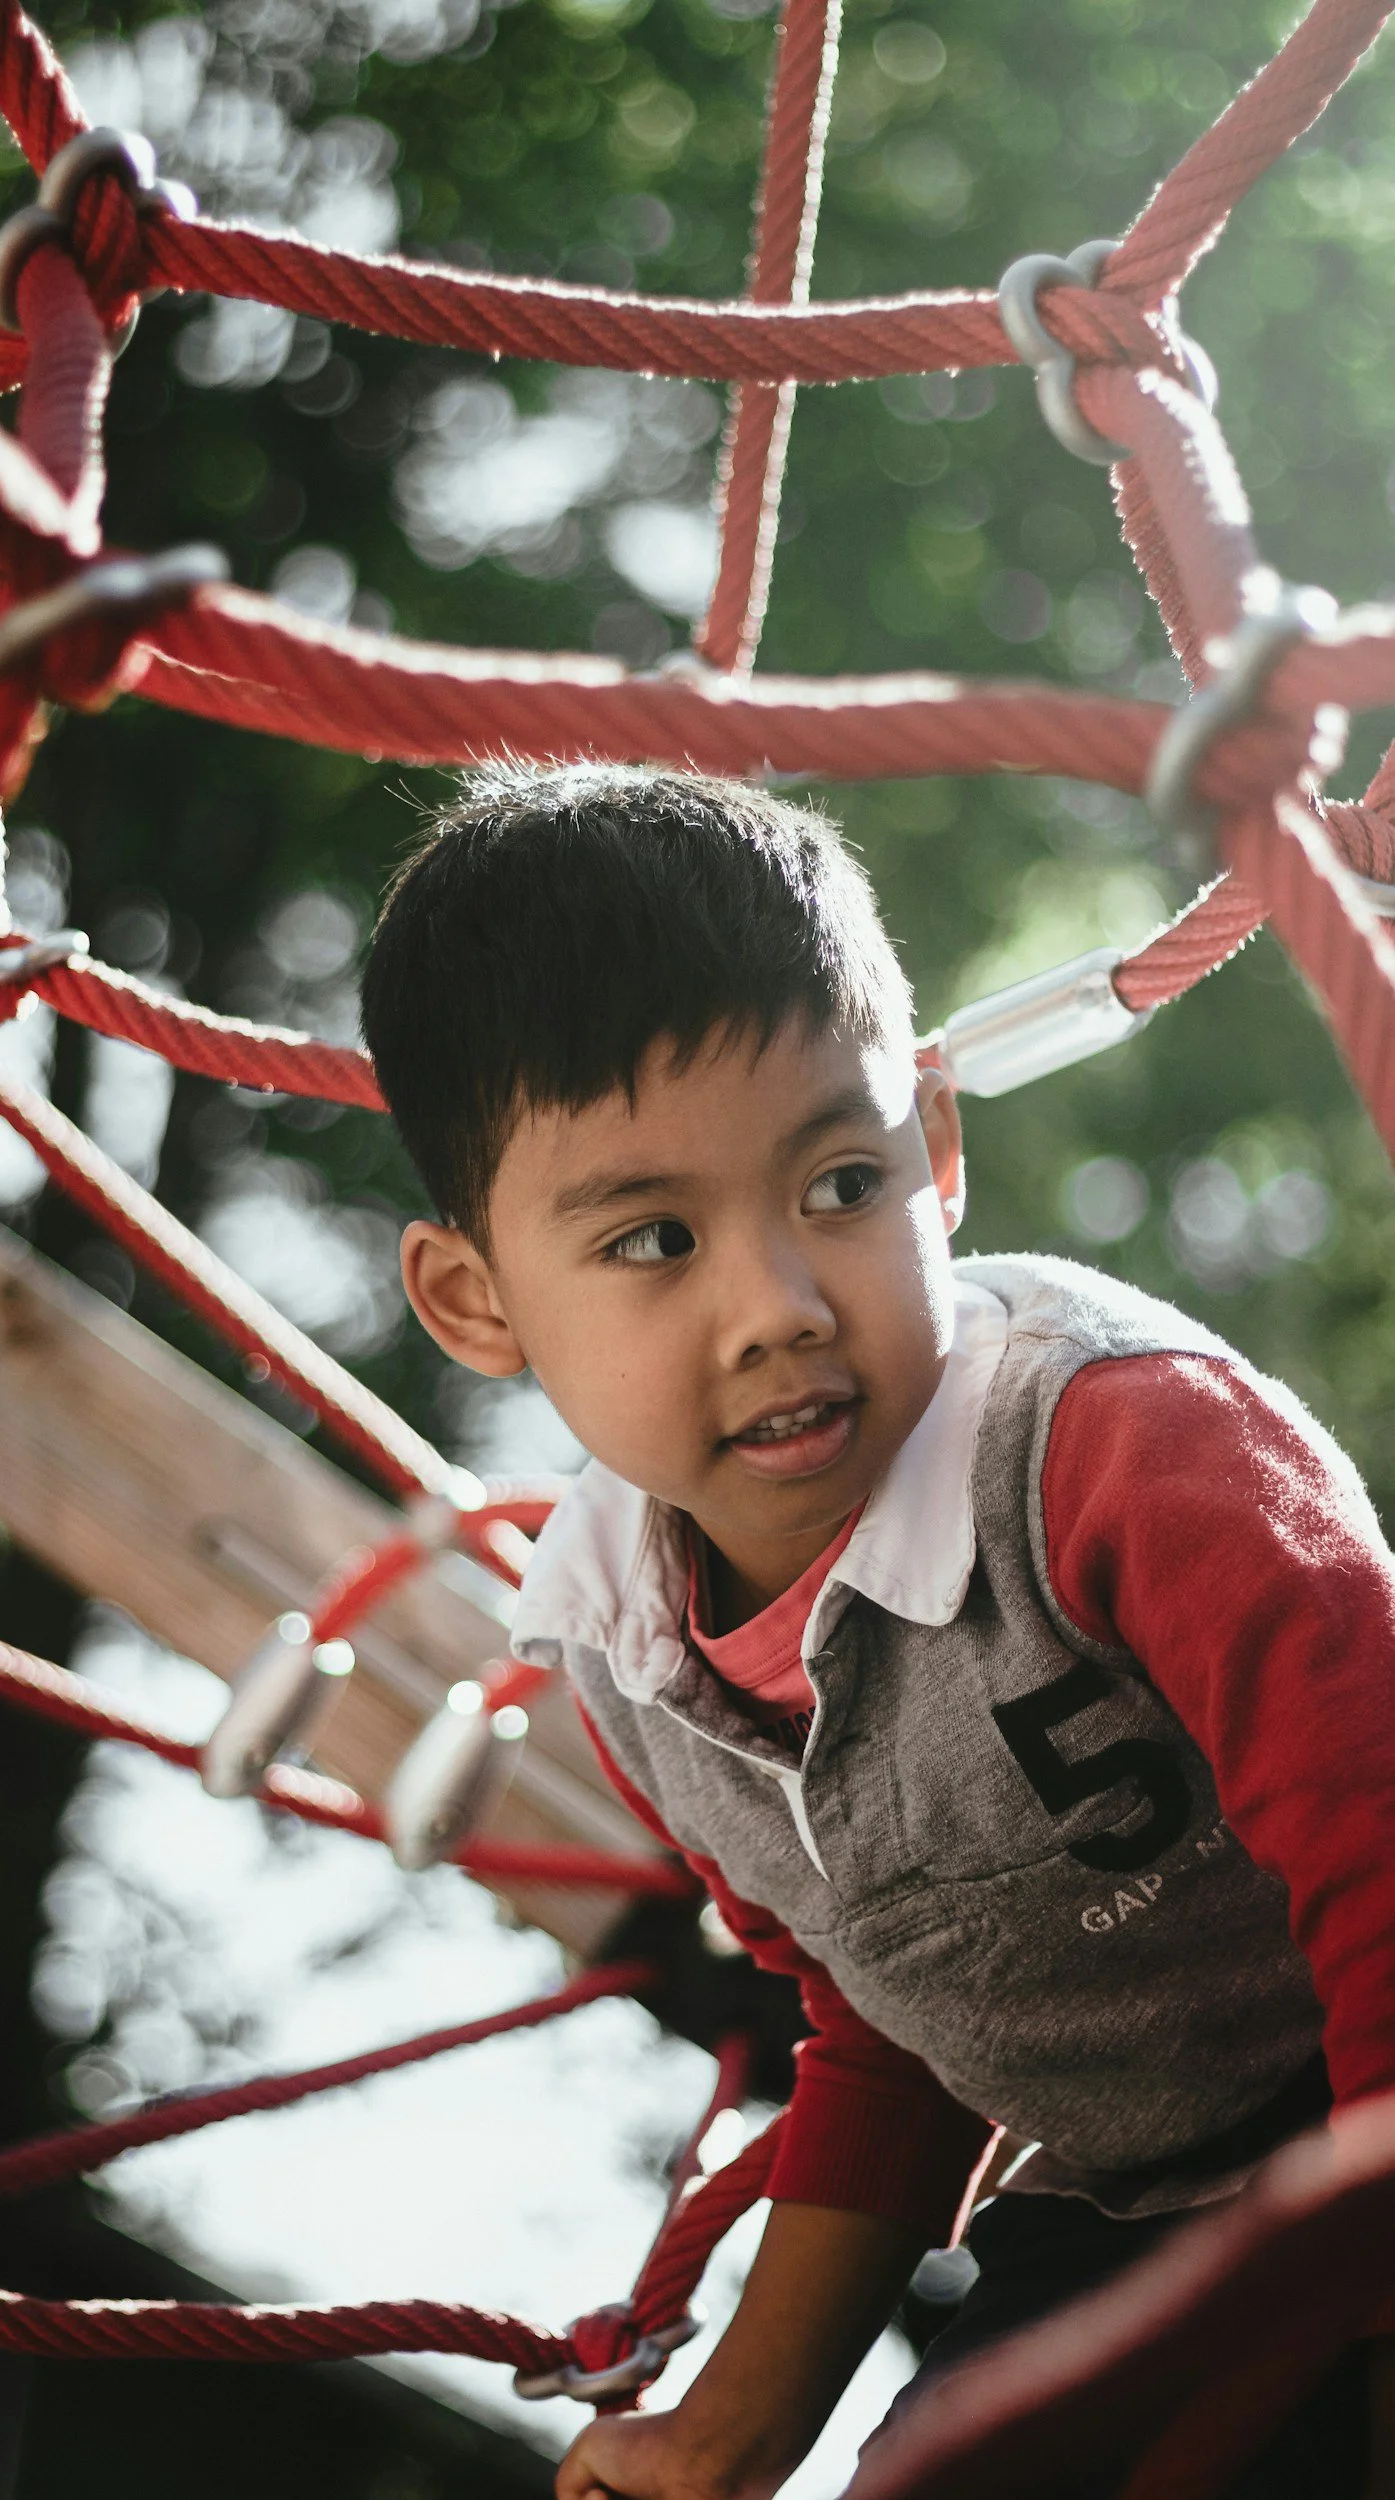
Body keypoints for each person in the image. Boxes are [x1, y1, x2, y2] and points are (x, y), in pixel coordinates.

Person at [359, 762, 1395, 2499]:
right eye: (654, 1238)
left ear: (937, 1144)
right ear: (477, 1302)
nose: (773, 1306)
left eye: (840, 1184)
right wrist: (737, 2423)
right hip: (1132, 2202)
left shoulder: (1117, 1451)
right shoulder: (630, 1650)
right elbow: (893, 2024)